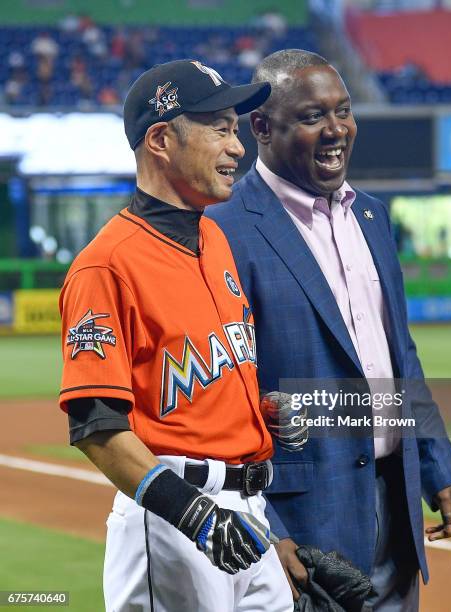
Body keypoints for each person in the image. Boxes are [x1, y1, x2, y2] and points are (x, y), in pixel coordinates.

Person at [206, 49, 451, 611]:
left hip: (396, 500)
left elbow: (399, 358)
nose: (336, 130)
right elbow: (224, 400)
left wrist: (438, 470)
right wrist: (269, 525)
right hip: (304, 514)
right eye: (312, 116)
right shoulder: (223, 230)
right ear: (260, 126)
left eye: (344, 111)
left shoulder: (372, 217)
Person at [59, 59, 293, 612]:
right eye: (220, 128)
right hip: (172, 519)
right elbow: (96, 427)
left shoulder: (214, 239)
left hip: (249, 514)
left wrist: (262, 413)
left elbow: (195, 385)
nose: (238, 148)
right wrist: (191, 515)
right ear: (161, 138)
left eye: (235, 130)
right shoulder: (106, 266)